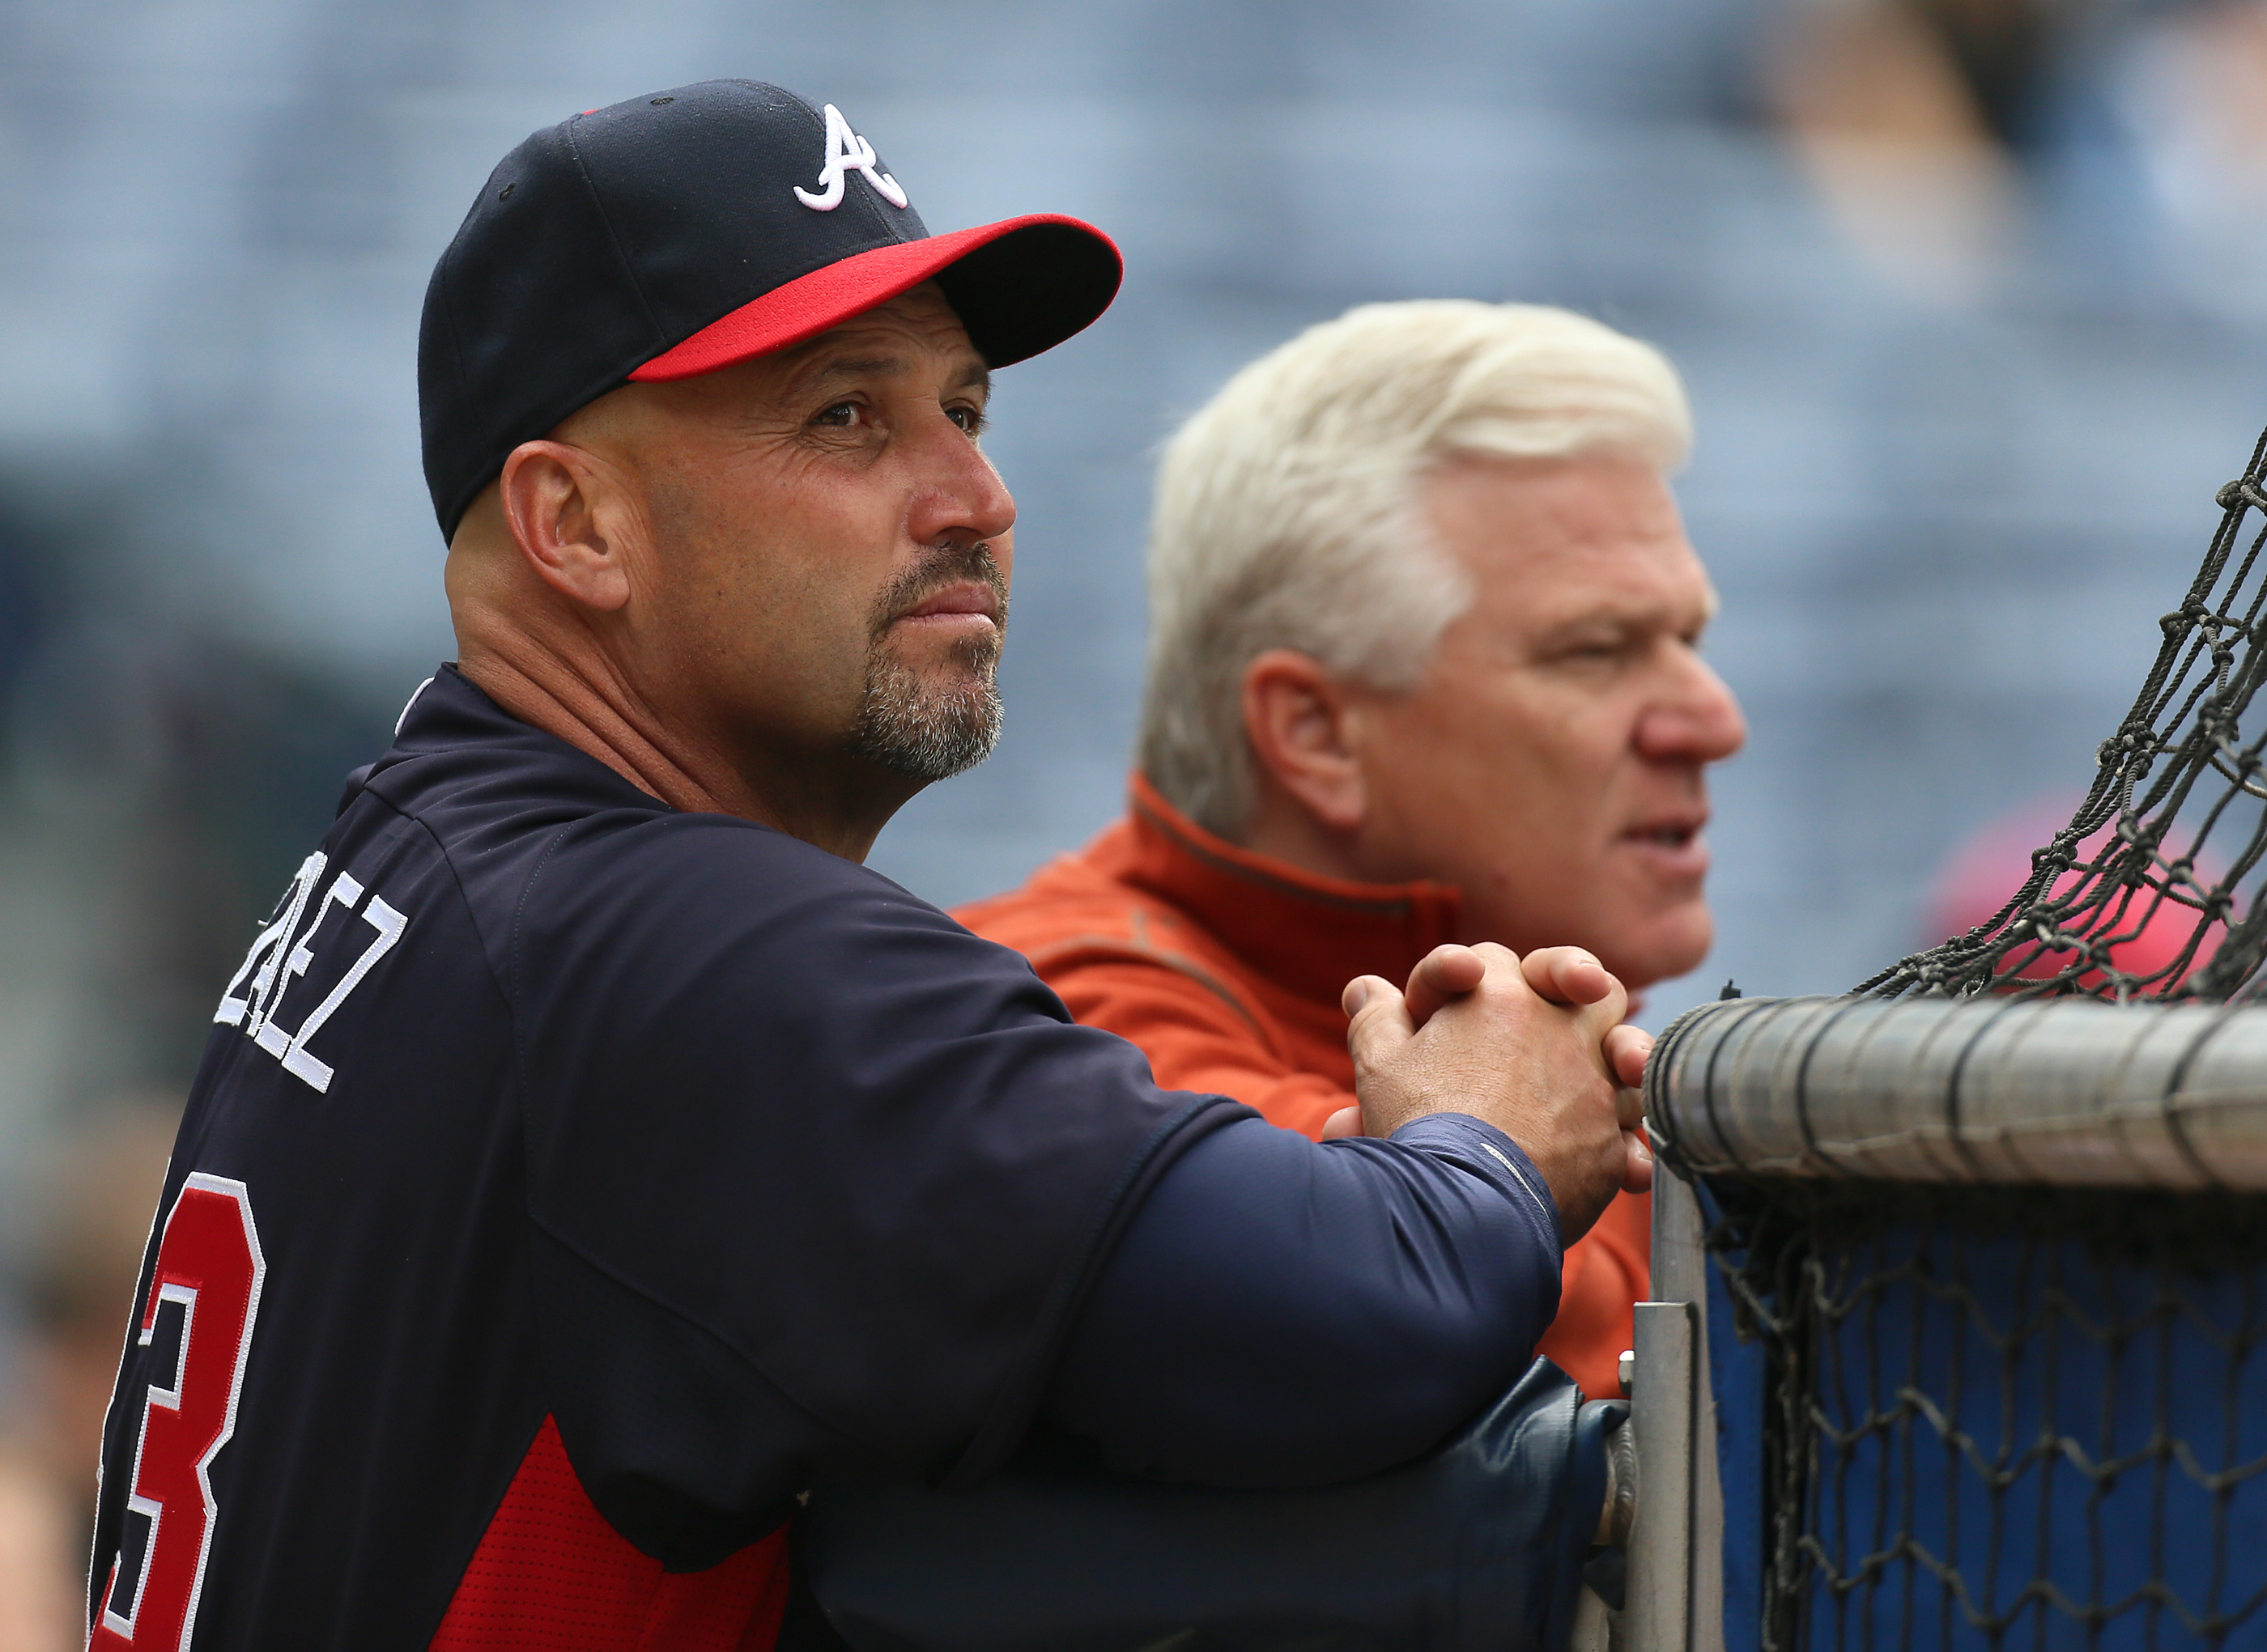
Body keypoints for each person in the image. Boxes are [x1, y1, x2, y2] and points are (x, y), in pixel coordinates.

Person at [84, 83, 1652, 1652]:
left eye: (962, 410)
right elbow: (1372, 1313)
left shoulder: (421, 856)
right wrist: (1485, 1143)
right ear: (573, 524)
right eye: (844, 414)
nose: (977, 498)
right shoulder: (686, 953)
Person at [958, 299, 1748, 1404]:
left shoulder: (1567, 1038)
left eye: (1690, 639)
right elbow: (1440, 1306)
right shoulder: (1058, 1029)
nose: (1714, 720)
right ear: (1316, 736)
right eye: (1597, 650)